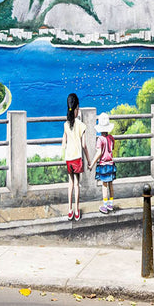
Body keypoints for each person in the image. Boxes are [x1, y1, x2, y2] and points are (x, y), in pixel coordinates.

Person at [60, 92, 90, 221]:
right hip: (77, 158)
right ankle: (77, 211)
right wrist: (89, 160)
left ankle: (69, 210)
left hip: (68, 158)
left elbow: (63, 142)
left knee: (70, 183)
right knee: (77, 184)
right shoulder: (81, 125)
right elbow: (84, 145)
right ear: (77, 108)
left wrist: (64, 151)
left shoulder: (66, 124)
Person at [91, 112, 116, 214]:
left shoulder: (100, 139)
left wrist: (92, 164)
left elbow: (99, 153)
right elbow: (112, 148)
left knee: (104, 186)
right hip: (111, 164)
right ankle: (111, 204)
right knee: (111, 185)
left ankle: (105, 206)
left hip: (103, 165)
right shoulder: (111, 138)